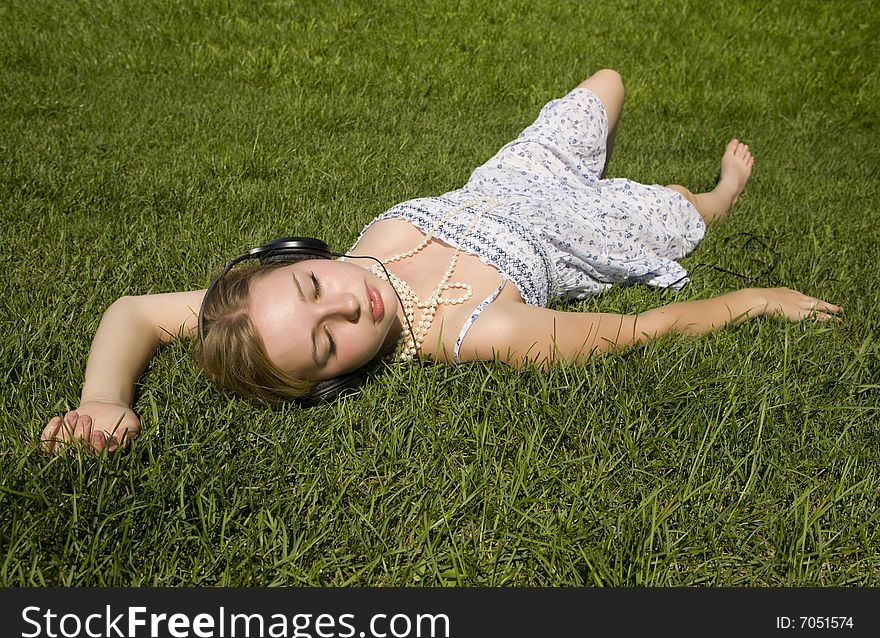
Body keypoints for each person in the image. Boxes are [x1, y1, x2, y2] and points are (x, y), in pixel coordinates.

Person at [39, 69, 843, 453]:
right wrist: (754, 299)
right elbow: (641, 325)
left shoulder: (285, 292)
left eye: (315, 286)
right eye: (326, 343)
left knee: (607, 84)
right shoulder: (469, 327)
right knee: (680, 212)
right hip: (586, 229)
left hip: (514, 174)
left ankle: (616, 172)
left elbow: (136, 311)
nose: (347, 307)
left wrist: (100, 397)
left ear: (295, 257)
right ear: (331, 380)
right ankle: (713, 195)